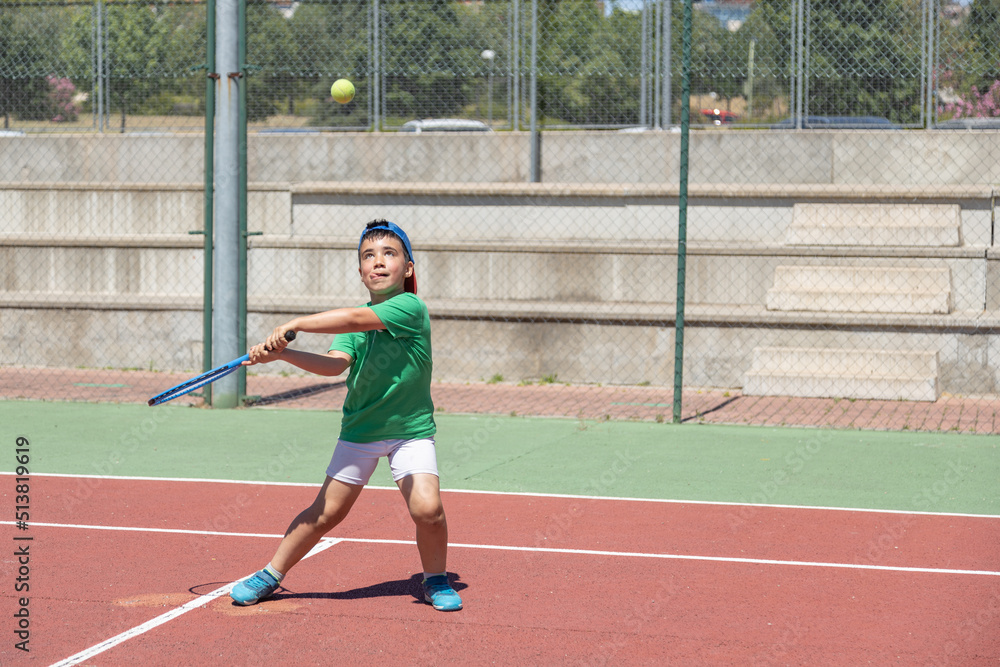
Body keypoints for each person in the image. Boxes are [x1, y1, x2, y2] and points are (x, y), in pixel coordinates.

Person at [229, 219, 462, 612]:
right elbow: (334, 365)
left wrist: (295, 324)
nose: (378, 261)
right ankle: (270, 574)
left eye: (390, 253)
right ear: (360, 271)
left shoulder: (410, 308)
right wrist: (282, 353)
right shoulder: (356, 317)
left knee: (428, 509)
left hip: (410, 431)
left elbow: (354, 321)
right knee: (325, 513)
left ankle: (436, 580)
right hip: (361, 429)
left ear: (408, 268)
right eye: (369, 256)